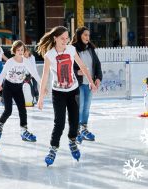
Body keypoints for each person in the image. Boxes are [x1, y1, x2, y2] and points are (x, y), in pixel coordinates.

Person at [36, 26, 97, 166]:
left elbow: (82, 66)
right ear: (55, 38)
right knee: (59, 123)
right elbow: (45, 76)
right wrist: (40, 97)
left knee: (74, 121)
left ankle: (72, 141)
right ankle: (53, 148)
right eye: (62, 38)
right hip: (58, 92)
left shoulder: (71, 49)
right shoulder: (49, 55)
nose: (65, 40)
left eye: (67, 38)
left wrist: (91, 82)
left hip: (73, 90)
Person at [0, 40, 41, 143]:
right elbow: (3, 73)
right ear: (14, 51)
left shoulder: (26, 61)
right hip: (8, 87)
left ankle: (24, 131)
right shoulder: (10, 61)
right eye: (18, 50)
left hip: (18, 87)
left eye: (22, 50)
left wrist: (42, 84)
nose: (20, 52)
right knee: (8, 110)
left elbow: (33, 72)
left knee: (22, 109)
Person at [71, 26, 103, 144]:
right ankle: (76, 131)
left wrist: (98, 78)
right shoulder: (72, 49)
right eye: (85, 35)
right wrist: (77, 72)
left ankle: (84, 129)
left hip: (89, 84)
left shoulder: (90, 49)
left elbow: (97, 65)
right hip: (78, 84)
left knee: (86, 108)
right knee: (79, 108)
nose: (87, 37)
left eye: (88, 35)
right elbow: (68, 67)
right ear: (79, 36)